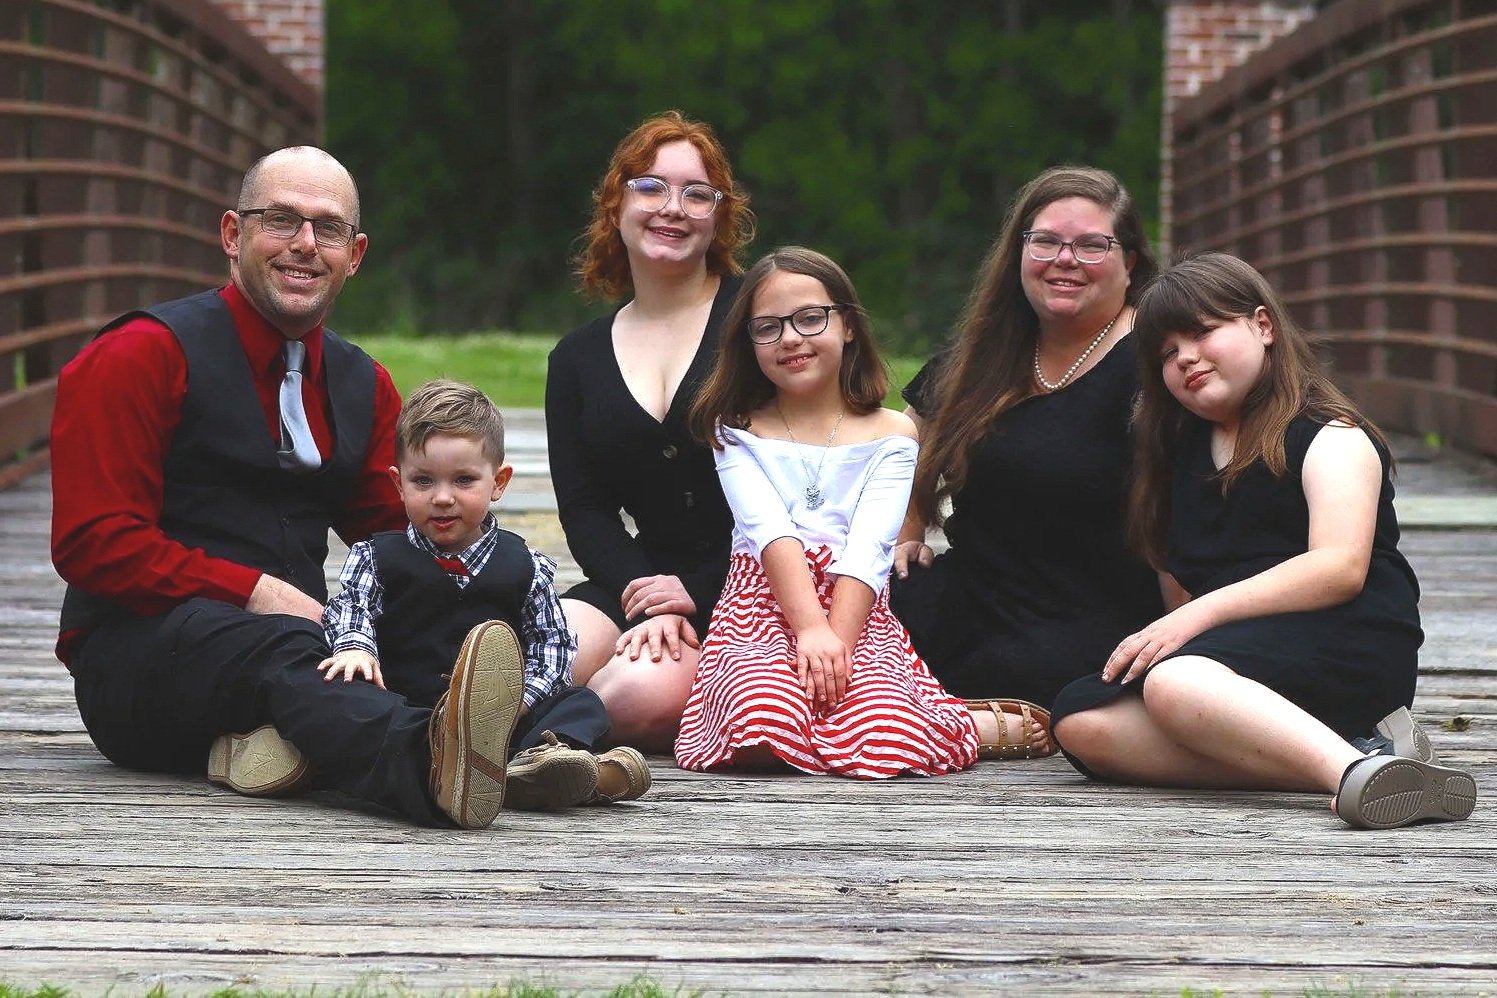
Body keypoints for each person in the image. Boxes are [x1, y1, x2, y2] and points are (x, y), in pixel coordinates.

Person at [50, 146, 522, 829]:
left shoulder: (363, 384)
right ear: (232, 235)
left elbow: (401, 538)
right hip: (139, 665)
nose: (304, 244)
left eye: (327, 229)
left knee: (424, 623)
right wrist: (253, 591)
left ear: (354, 255)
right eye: (281, 220)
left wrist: (497, 594)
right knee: (293, 648)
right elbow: (93, 543)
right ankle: (431, 766)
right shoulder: (140, 355)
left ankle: (541, 751)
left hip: (298, 658)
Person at [1050, 253, 1477, 830]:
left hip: (1345, 639)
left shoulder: (1329, 435)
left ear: (1263, 325)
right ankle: (1364, 763)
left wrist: (1192, 623)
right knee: (1083, 722)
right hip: (1242, 656)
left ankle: (1353, 766)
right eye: (1167, 354)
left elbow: (1339, 567)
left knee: (1176, 682)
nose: (1186, 359)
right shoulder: (1178, 457)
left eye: (1202, 332)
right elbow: (1178, 577)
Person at [671, 247, 1046, 778]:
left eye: (809, 319)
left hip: (857, 609)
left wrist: (837, 642)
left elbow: (870, 546)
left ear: (847, 326)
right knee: (761, 718)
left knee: (886, 734)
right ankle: (807, 728)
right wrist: (808, 631)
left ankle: (960, 723)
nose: (791, 339)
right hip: (765, 605)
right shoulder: (736, 429)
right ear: (747, 342)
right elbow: (770, 532)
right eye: (768, 327)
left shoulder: (892, 434)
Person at [890, 166, 1165, 718]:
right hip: (973, 596)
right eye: (1046, 241)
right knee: (839, 615)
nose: (1065, 259)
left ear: (1129, 261)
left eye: (1092, 245)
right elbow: (899, 441)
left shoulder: (1158, 360)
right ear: (1019, 251)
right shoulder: (991, 349)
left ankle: (959, 719)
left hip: (1090, 617)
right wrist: (908, 529)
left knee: (1037, 681)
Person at [319, 379, 651, 809]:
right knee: (344, 697)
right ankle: (469, 770)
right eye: (423, 481)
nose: (442, 498)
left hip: (505, 721)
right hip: (410, 712)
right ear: (398, 485)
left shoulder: (524, 565)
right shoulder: (375, 557)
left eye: (463, 481)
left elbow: (552, 644)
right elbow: (351, 609)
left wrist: (520, 700)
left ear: (498, 482)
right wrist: (355, 649)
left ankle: (545, 763)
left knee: (582, 703)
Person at [546, 110, 754, 750]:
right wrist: (645, 595)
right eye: (652, 187)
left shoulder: (760, 320)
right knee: (551, 649)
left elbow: (814, 479)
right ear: (616, 204)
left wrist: (691, 592)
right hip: (637, 578)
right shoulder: (576, 358)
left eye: (697, 194)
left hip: (753, 584)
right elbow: (585, 510)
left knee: (638, 696)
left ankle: (530, 748)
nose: (674, 207)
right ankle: (466, 734)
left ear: (719, 216)